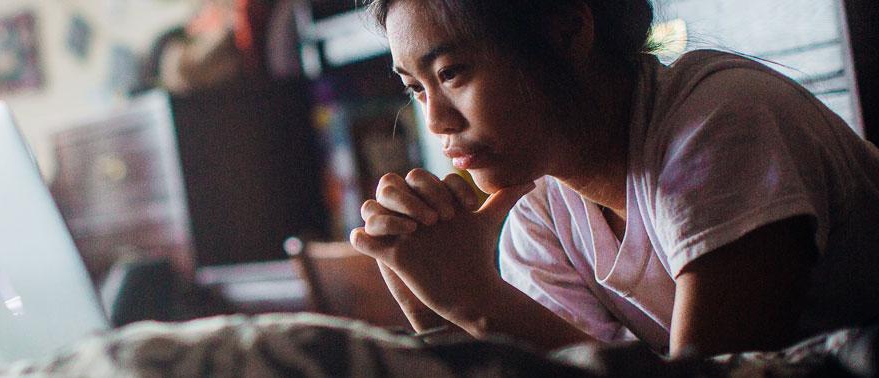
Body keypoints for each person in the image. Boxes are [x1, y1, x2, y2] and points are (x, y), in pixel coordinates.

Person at [350, 0, 879, 357]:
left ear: (566, 31)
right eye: (416, 89)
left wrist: (476, 300)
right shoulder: (542, 204)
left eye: (450, 74)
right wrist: (432, 312)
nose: (437, 121)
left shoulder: (721, 124)